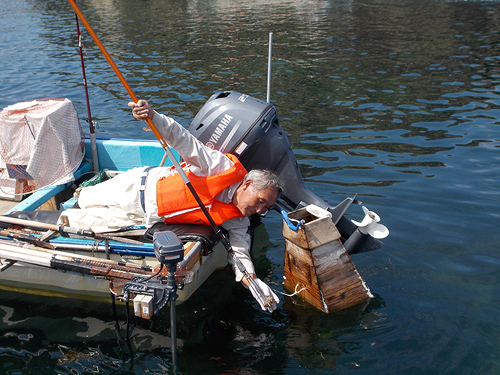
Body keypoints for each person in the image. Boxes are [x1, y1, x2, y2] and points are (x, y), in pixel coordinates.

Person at [60, 100, 282, 312]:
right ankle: (79, 192)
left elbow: (240, 253)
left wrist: (253, 282)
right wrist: (152, 117)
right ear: (248, 184)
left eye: (266, 207)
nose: (261, 210)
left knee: (77, 223)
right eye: (261, 201)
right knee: (84, 199)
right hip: (135, 189)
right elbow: (183, 139)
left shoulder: (239, 219)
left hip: (144, 218)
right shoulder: (219, 166)